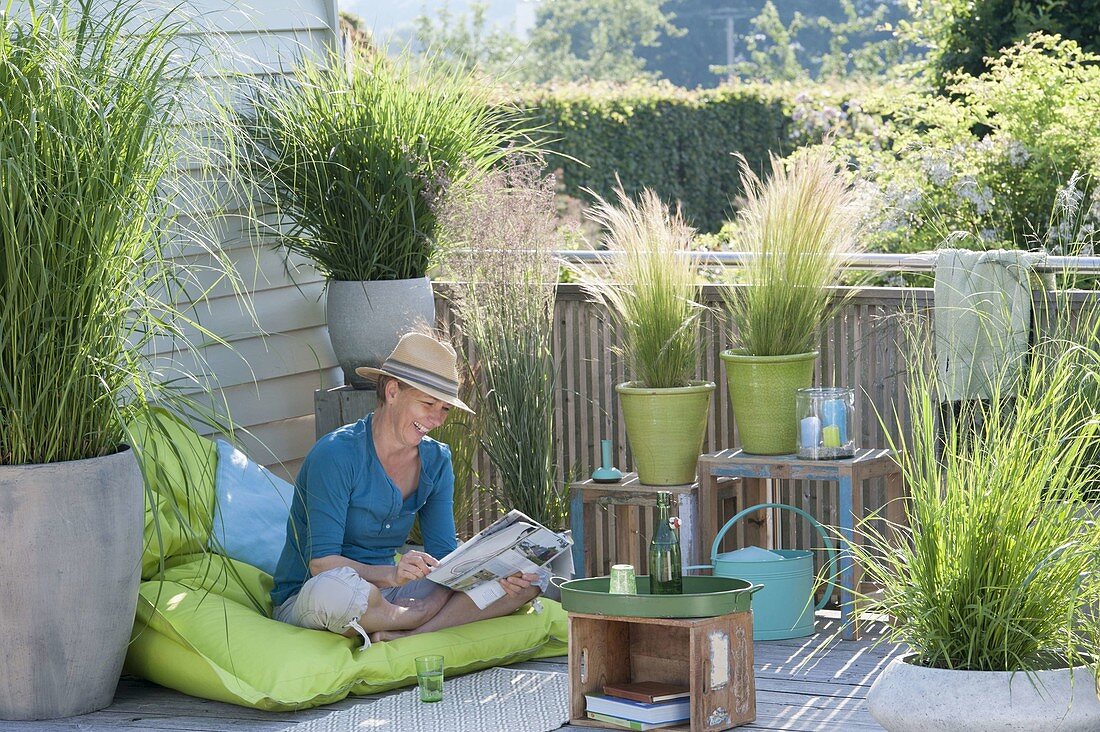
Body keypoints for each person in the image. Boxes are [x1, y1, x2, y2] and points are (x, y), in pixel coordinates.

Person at [270, 331, 541, 647]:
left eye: (444, 408)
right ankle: (416, 617)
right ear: (393, 391)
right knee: (337, 593)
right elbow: (321, 564)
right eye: (428, 403)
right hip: (317, 593)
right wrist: (393, 574)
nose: (436, 419)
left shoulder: (436, 461)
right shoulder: (335, 455)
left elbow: (443, 558)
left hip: (392, 596)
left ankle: (408, 633)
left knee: (529, 582)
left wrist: (493, 571)